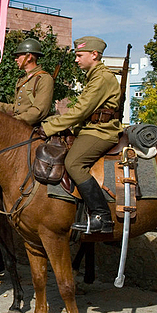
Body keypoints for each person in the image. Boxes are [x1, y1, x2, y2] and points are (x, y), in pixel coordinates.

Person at [39, 36, 122, 234]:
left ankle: (102, 217)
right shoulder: (94, 76)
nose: (76, 60)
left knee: (74, 163)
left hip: (101, 131)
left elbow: (81, 111)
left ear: (94, 55)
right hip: (89, 128)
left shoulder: (101, 77)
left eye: (79, 55)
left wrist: (48, 127)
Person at [0, 37, 54, 126]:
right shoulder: (22, 79)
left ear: (28, 57)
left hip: (33, 127)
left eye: (18, 56)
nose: (16, 59)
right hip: (20, 125)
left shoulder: (44, 79)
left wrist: (12, 121)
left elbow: (39, 111)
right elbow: (17, 108)